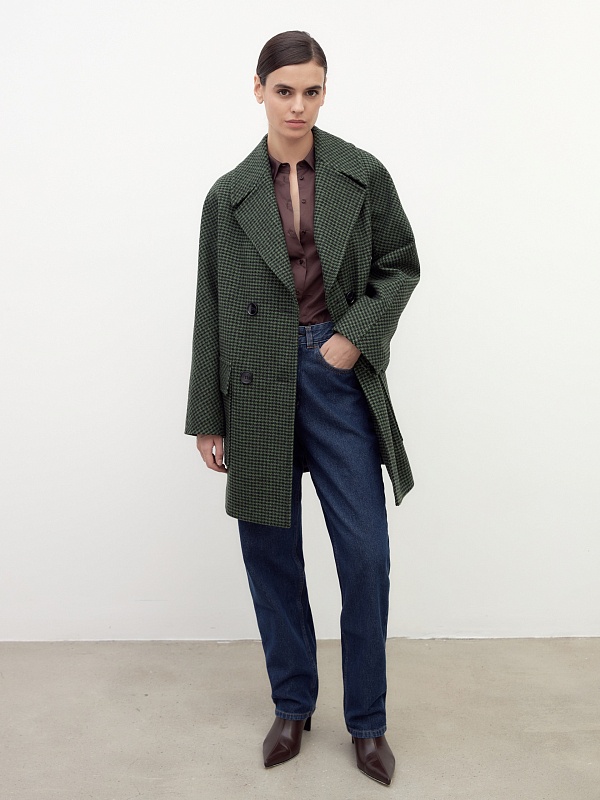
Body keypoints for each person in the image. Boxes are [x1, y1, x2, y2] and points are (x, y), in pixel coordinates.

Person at [185, 30, 419, 786]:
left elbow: (400, 265)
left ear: (324, 92)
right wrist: (207, 415)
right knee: (271, 553)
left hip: (333, 375)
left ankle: (368, 721)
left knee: (366, 555)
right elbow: (211, 307)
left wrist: (353, 338)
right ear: (258, 89)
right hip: (255, 382)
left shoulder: (361, 173)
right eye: (283, 90)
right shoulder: (227, 196)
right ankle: (292, 705)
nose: (298, 105)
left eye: (311, 91)